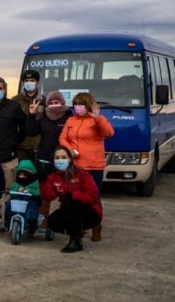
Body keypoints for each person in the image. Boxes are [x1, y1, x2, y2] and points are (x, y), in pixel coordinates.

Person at [59, 92, 114, 242]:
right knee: (75, 198)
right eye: (76, 104)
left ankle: (96, 226)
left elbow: (109, 133)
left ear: (88, 105)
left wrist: (98, 118)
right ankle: (79, 226)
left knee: (93, 198)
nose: (78, 107)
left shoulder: (97, 120)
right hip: (75, 166)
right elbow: (63, 137)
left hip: (93, 165)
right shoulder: (71, 120)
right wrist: (69, 150)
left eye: (81, 104)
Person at [41, 146, 103, 253]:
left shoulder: (82, 174)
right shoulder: (54, 177)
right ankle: (77, 231)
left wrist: (74, 195)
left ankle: (76, 241)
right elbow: (48, 197)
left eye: (64, 157)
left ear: (69, 159)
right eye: (57, 158)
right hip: (69, 210)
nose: (60, 160)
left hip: (90, 212)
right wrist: (43, 181)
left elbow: (93, 196)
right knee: (52, 221)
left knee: (72, 203)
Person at [24, 90, 71, 225]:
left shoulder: (69, 117)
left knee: (66, 192)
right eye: (51, 102)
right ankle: (43, 221)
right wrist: (32, 116)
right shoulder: (43, 116)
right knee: (45, 191)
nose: (54, 105)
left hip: (63, 160)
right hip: (44, 158)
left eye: (57, 102)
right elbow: (31, 131)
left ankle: (66, 220)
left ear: (62, 103)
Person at [12, 70, 43, 161]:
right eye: (26, 81)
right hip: (21, 146)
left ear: (37, 82)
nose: (29, 83)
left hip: (38, 145)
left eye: (32, 80)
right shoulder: (15, 100)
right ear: (23, 83)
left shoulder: (43, 100)